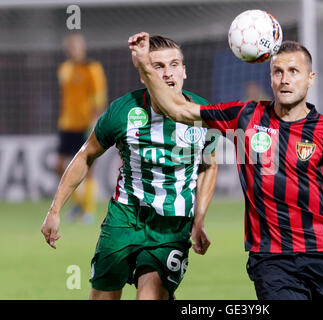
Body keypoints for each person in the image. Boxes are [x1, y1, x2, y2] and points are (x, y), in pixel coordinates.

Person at [129, 32, 323, 300]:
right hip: (271, 260)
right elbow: (179, 108)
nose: (285, 78)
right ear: (270, 78)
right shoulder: (245, 117)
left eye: (294, 71)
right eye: (278, 72)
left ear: (310, 78)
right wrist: (146, 65)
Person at [41, 35, 218, 300]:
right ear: (144, 75)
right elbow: (84, 156)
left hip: (171, 225)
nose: (168, 73)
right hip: (124, 217)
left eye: (174, 65)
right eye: (158, 66)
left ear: (184, 71)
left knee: (150, 294)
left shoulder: (203, 113)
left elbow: (209, 165)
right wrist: (54, 210)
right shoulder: (123, 112)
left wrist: (200, 218)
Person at [56, 32, 107, 224]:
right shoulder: (64, 69)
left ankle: (89, 211)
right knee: (60, 166)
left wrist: (96, 120)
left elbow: (99, 97)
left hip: (86, 124)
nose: (74, 50)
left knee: (88, 167)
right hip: (66, 124)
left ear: (83, 48)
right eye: (70, 47)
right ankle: (78, 202)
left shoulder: (92, 68)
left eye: (77, 46)